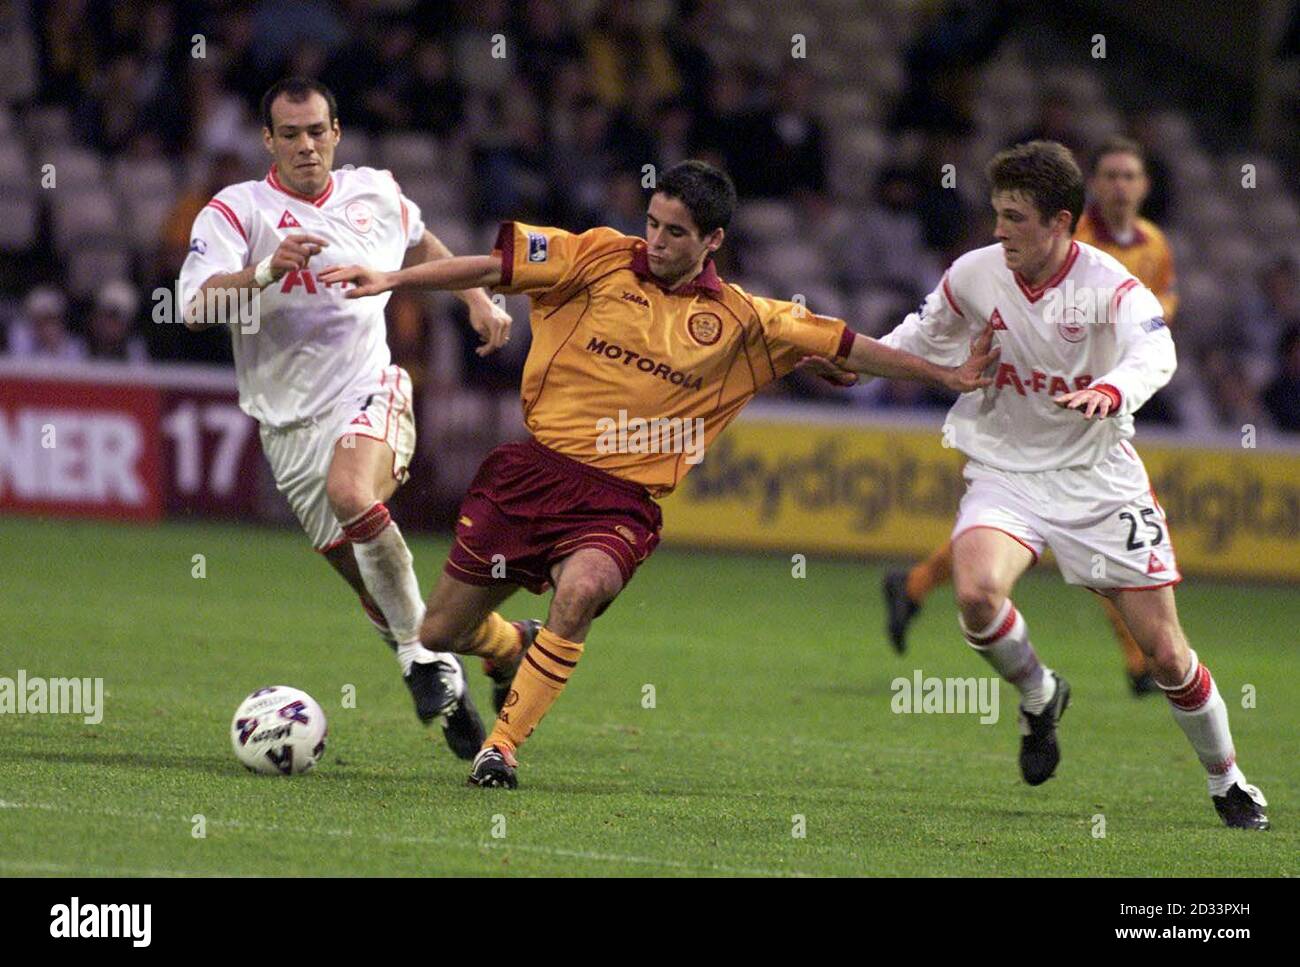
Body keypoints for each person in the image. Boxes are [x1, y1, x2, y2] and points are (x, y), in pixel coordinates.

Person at [320, 160, 998, 789]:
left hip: (620, 501)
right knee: (438, 633)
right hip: (530, 474)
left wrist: (945, 375)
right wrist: (394, 279)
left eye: (675, 232)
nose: (657, 240)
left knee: (581, 591)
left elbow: (852, 346)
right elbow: (494, 266)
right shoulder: (595, 257)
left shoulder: (746, 320)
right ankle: (512, 644)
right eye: (653, 223)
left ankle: (502, 745)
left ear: (713, 240)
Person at [812, 141, 1267, 829]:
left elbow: (1157, 348)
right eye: (996, 215)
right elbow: (923, 333)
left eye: (1014, 218)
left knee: (1167, 653)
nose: (999, 231)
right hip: (1006, 467)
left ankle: (1228, 780)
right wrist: (866, 362)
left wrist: (1114, 387)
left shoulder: (1110, 284)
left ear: (1059, 222)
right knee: (974, 592)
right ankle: (1039, 691)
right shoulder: (974, 273)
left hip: (1097, 478)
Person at [178, 77, 514, 759]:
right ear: (268, 141)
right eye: (290, 134)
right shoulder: (236, 212)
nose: (306, 146)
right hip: (287, 427)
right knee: (383, 592)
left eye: (317, 131)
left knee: (352, 493)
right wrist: (266, 272)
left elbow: (422, 245)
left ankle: (424, 664)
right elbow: (194, 306)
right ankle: (507, 647)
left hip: (371, 387)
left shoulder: (374, 193)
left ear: (336, 133)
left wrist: (475, 297)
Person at [884, 135, 1180, 696]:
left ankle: (916, 585)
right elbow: (940, 328)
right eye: (1111, 175)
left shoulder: (1152, 247)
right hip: (1026, 426)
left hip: (1097, 415)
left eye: (1130, 176)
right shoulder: (1062, 241)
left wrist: (1130, 360)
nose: (1120, 186)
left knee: (1103, 559)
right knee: (996, 549)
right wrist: (864, 358)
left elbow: (1159, 309)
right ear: (1092, 189)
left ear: (1144, 185)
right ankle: (1117, 666)